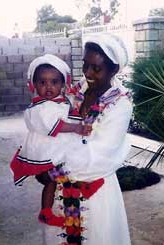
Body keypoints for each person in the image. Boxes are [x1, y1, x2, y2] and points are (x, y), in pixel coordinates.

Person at [39, 34, 133, 245]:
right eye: (85, 65)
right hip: (62, 190)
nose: (88, 73)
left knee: (98, 243)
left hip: (95, 192)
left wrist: (51, 173)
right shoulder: (75, 92)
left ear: (114, 70)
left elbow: (98, 155)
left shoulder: (120, 105)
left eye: (96, 68)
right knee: (60, 243)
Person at [10, 54, 103, 227]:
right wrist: (76, 127)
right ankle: (51, 207)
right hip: (44, 151)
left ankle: (48, 211)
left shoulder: (59, 101)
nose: (48, 87)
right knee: (58, 174)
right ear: (33, 84)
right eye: (42, 82)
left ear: (62, 84)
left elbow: (69, 109)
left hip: (54, 147)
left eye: (54, 82)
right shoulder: (39, 107)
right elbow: (53, 124)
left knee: (57, 177)